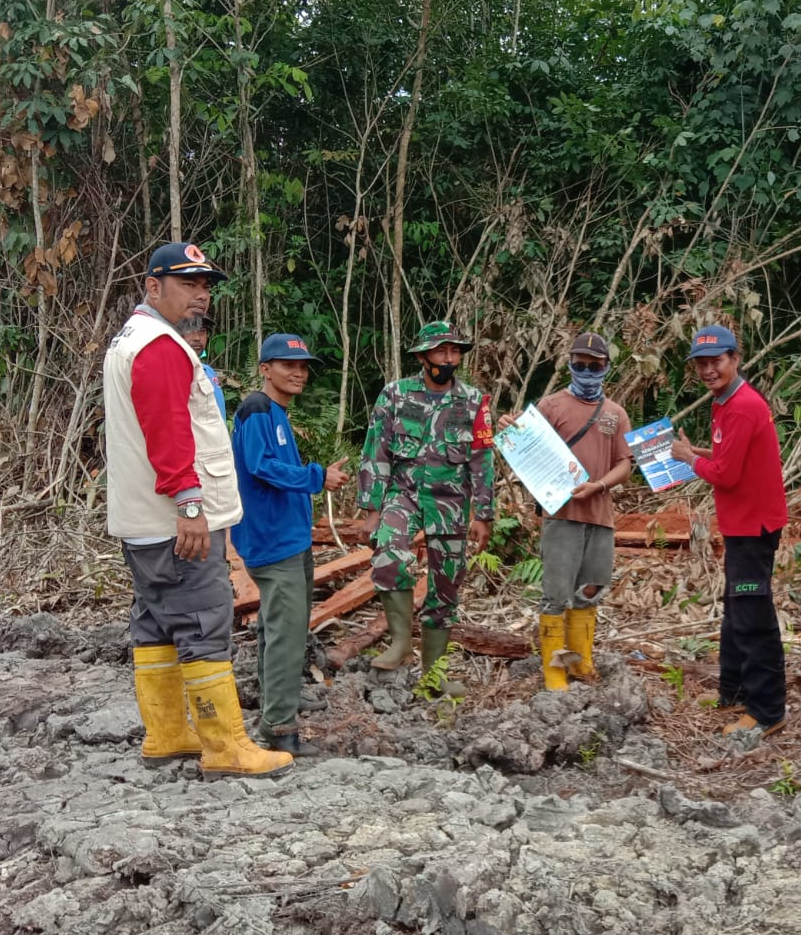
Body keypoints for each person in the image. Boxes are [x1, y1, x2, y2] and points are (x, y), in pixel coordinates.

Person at [102, 240, 292, 777]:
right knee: (205, 622)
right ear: (153, 287)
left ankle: (166, 734)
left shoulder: (131, 339)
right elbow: (169, 432)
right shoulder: (160, 346)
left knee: (156, 622)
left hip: (142, 522)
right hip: (175, 522)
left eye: (205, 286)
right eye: (188, 285)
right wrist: (189, 506)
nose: (200, 296)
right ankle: (225, 746)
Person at [231, 333, 350, 757]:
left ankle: (278, 698)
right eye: (287, 365)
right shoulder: (258, 409)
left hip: (290, 537)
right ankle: (278, 726)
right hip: (271, 539)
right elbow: (261, 468)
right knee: (284, 629)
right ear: (265, 369)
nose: (298, 373)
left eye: (302, 366)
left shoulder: (276, 412)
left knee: (282, 625)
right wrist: (317, 477)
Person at [669, 324, 788, 738]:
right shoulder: (726, 400)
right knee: (737, 609)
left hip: (753, 527)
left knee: (753, 615)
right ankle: (733, 689)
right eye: (701, 363)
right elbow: (730, 454)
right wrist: (696, 452)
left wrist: (688, 459)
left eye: (715, 361)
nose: (707, 370)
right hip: (743, 523)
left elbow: (728, 474)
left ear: (735, 359)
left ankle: (767, 709)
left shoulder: (741, 405)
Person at [357, 321, 494, 671]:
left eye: (454, 351)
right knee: (389, 555)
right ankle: (401, 642)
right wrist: (371, 508)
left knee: (447, 584)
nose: (449, 357)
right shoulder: (396, 394)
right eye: (441, 350)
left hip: (450, 501)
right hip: (402, 495)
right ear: (423, 356)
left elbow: (482, 458)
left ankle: (434, 673)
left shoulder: (474, 401)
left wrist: (484, 513)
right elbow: (376, 452)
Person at [503, 332, 634, 690]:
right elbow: (527, 450)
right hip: (561, 515)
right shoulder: (551, 406)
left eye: (595, 365)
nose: (587, 371)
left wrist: (600, 485)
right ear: (570, 364)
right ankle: (554, 669)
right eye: (580, 364)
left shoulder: (615, 414)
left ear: (606, 367)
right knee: (556, 593)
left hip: (600, 515)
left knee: (591, 589)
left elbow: (625, 463)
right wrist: (513, 434)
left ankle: (580, 660)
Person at [176, 314, 224, 422]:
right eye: (190, 330)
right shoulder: (173, 374)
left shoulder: (209, 372)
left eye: (201, 331)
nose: (197, 338)